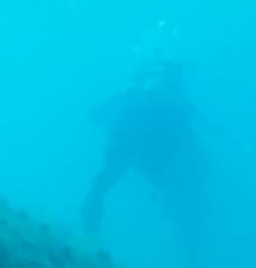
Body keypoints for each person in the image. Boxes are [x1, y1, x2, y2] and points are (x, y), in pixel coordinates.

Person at [82, 57, 208, 240]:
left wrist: (98, 114)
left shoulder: (138, 88)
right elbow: (187, 126)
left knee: (103, 181)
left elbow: (110, 105)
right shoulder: (175, 96)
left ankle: (90, 229)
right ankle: (192, 254)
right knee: (170, 194)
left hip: (127, 135)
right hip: (150, 145)